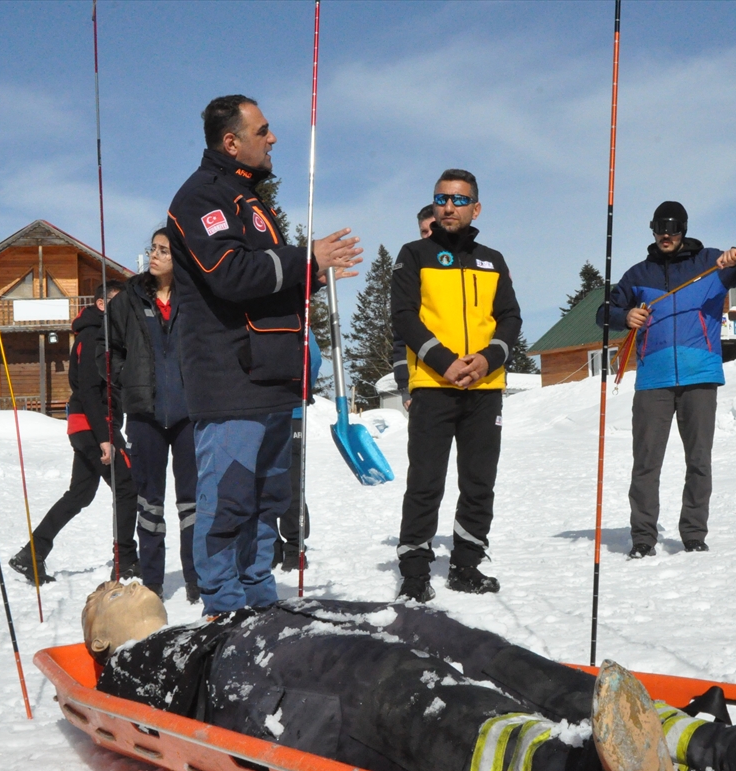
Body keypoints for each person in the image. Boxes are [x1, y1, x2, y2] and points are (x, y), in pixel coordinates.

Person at [84, 581, 736, 771]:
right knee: (401, 685)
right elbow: (118, 701)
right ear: (100, 636)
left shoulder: (200, 620)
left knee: (481, 650)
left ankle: (727, 754)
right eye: (106, 591)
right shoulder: (132, 662)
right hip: (251, 681)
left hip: (286, 623)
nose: (122, 581)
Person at [166, 94, 362, 614]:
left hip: (272, 380)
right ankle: (224, 611)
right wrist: (305, 259)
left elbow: (269, 284)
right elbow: (230, 276)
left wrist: (314, 274)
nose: (273, 139)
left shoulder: (250, 201)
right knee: (227, 501)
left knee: (266, 503)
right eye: (263, 130)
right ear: (231, 141)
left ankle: (260, 603)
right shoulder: (200, 199)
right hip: (230, 383)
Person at [600, 201, 736, 556]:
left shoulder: (710, 263)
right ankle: (643, 537)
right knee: (646, 462)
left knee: (698, 460)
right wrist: (624, 316)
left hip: (701, 375)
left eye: (674, 228)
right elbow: (604, 312)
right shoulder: (638, 274)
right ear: (653, 230)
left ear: (684, 230)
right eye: (661, 228)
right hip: (653, 380)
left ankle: (693, 533)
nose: (667, 235)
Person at [390, 170, 523, 601]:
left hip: (485, 388)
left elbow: (511, 319)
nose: (449, 206)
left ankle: (466, 566)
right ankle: (414, 571)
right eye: (441, 198)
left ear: (475, 208)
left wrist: (487, 360)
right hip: (432, 384)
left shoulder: (494, 259)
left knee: (479, 481)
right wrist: (445, 363)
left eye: (459, 200)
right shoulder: (414, 255)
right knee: (426, 480)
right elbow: (404, 317)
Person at [8, 282, 138, 583]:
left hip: (83, 425)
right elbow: (91, 391)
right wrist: (105, 436)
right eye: (120, 304)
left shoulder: (91, 333)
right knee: (126, 487)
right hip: (94, 425)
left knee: (80, 493)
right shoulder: (94, 336)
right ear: (102, 304)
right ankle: (126, 562)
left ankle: (31, 553)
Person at [104, 231, 199, 602]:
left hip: (190, 415)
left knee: (193, 502)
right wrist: (127, 378)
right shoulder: (126, 300)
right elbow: (106, 352)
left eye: (163, 250)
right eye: (153, 249)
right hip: (144, 415)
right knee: (149, 502)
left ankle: (196, 577)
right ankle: (153, 580)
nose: (154, 255)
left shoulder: (195, 297)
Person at [273, 333, 321, 571]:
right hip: (263, 411)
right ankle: (272, 544)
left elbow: (313, 357)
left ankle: (293, 546)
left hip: (290, 411)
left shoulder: (296, 318)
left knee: (288, 481)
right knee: (264, 479)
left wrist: (302, 390)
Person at [390, 205, 436, 411]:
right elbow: (402, 334)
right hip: (423, 380)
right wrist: (404, 385)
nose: (429, 236)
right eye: (424, 231)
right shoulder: (410, 269)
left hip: (475, 381)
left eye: (434, 228)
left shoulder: (477, 263)